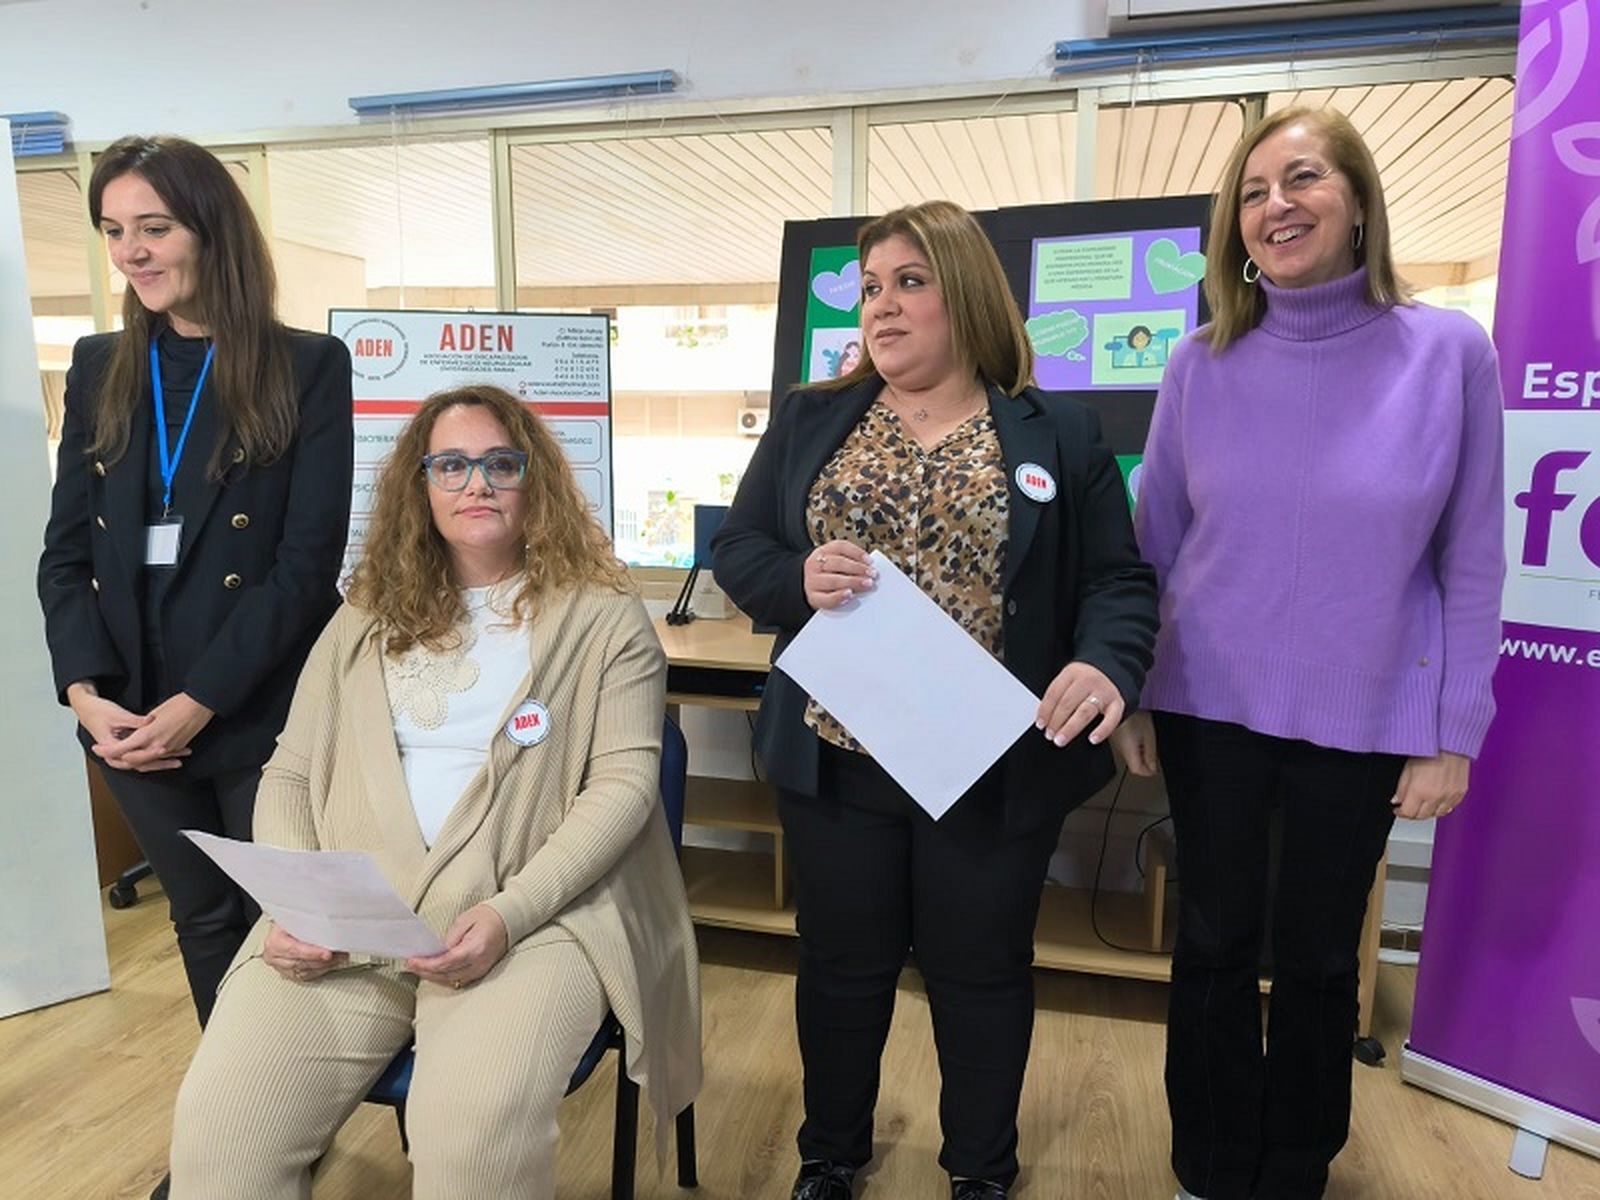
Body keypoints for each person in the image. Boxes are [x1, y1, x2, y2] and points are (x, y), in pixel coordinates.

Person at [712, 200, 1159, 1200]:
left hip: (987, 763)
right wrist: (796, 581)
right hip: (836, 756)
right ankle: (830, 1156)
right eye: (871, 287)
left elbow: (1118, 582)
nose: (883, 306)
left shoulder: (1058, 433)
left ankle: (980, 1172)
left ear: (964, 296)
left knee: (980, 973)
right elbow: (739, 548)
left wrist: (1107, 667)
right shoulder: (809, 418)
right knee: (840, 969)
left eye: (909, 282)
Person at [167, 384, 702, 1200]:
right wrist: (297, 905)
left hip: (532, 917)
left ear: (538, 481)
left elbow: (624, 789)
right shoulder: (364, 615)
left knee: (469, 1147)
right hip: (353, 920)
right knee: (219, 1140)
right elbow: (292, 772)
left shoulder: (603, 618)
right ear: (420, 486)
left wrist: (509, 913)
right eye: (450, 464)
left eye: (500, 463)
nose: (475, 483)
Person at [1116, 107, 1505, 1200]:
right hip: (1206, 706)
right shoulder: (1198, 362)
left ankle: (1293, 1171)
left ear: (1358, 200)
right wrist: (1139, 692)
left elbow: (1472, 560)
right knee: (1212, 946)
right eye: (1250, 191)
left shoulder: (1447, 353)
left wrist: (1451, 735)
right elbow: (1158, 544)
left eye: (1300, 180)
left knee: (1321, 959)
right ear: (1232, 228)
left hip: (1365, 715)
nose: (1273, 205)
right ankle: (1208, 1165)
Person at [38, 134, 353, 1026]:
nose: (130, 251)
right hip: (128, 714)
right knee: (201, 918)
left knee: (283, 928)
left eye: (154, 226)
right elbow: (64, 556)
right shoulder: (100, 365)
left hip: (254, 705)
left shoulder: (307, 367)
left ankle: (291, 1113)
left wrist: (201, 700)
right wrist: (84, 694)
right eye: (113, 230)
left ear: (211, 230)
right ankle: (233, 1123)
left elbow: (304, 566)